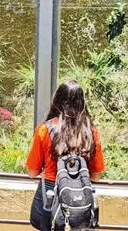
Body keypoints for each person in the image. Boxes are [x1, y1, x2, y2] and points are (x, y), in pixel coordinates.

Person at [25, 80, 104, 231]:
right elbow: (95, 177)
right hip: (79, 201)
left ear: (57, 101)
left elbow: (32, 172)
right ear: (82, 103)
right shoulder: (91, 132)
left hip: (49, 198)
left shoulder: (44, 130)